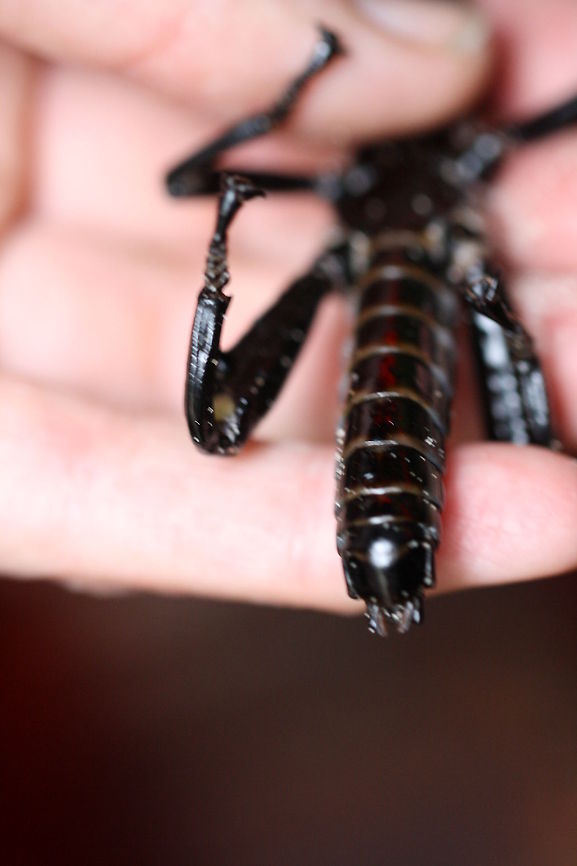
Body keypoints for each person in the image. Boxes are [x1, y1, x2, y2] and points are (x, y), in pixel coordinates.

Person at [0, 0, 575, 619]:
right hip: (435, 272)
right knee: (219, 428)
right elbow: (185, 178)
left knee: (532, 471)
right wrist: (284, 99)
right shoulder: (465, 142)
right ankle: (508, 330)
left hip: (382, 265)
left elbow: (189, 179)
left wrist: (282, 119)